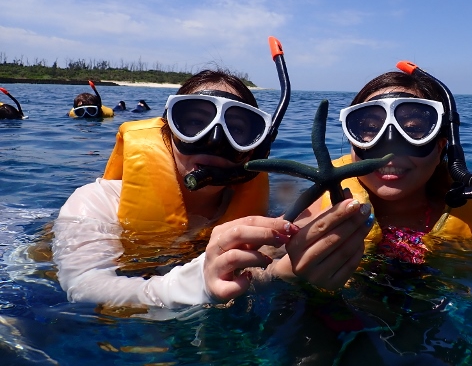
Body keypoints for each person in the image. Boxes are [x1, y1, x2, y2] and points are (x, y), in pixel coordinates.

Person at [52, 38, 372, 309]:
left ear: (256, 148)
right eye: (193, 122)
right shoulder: (95, 204)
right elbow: (83, 286)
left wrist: (280, 272)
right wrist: (196, 283)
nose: (215, 139)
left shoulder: (270, 212)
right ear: (168, 133)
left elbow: (285, 257)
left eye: (237, 128)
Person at [277, 65, 472, 290]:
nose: (390, 148)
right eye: (369, 128)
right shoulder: (309, 215)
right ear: (352, 142)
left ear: (441, 146)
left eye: (413, 129)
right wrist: (279, 274)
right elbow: (258, 279)